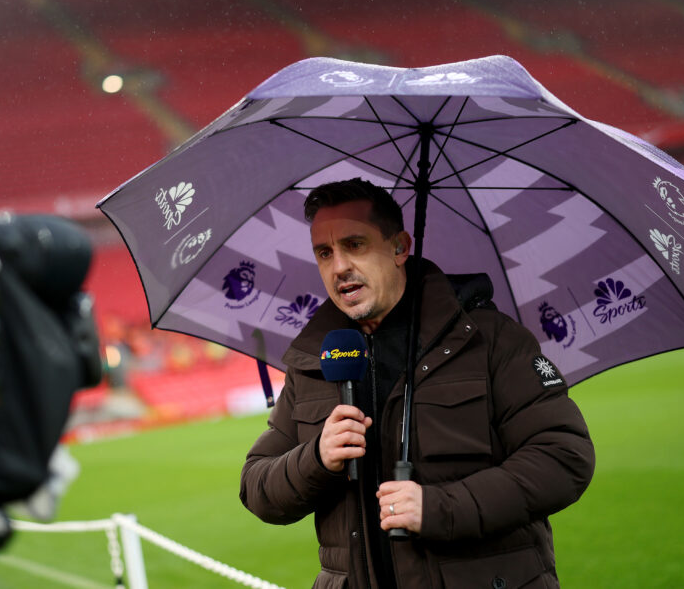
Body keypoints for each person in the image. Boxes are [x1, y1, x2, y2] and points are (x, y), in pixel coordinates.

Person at [240, 178, 595, 589]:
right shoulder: (314, 362)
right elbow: (257, 486)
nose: (338, 267)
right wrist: (316, 458)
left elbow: (564, 457)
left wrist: (439, 507)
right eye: (325, 253)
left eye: (355, 245)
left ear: (400, 247)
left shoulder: (488, 338)